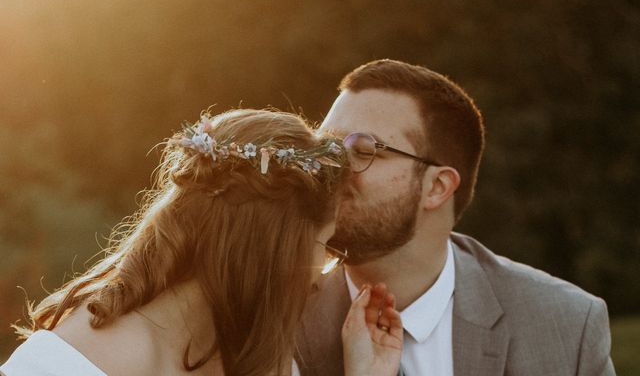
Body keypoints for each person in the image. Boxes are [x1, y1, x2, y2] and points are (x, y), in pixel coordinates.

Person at [1, 109, 403, 376]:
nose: (319, 278)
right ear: (274, 247)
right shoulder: (69, 365)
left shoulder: (257, 362)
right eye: (324, 247)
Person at [294, 60, 616, 376]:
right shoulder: (274, 318)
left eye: (363, 150)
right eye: (327, 148)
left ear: (437, 187)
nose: (330, 168)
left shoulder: (566, 327)